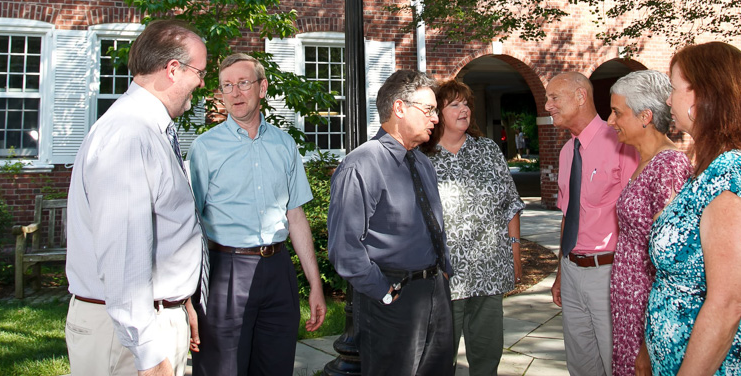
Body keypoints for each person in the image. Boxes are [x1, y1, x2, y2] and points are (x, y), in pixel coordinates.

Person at [65, 19, 209, 376]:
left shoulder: (148, 129)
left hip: (153, 318)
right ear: (173, 69)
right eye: (200, 72)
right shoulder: (129, 136)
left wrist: (179, 303)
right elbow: (123, 253)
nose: (202, 83)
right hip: (128, 335)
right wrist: (147, 351)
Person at [646, 42, 741, 376]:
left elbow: (727, 305)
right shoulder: (712, 171)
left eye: (674, 89)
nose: (668, 100)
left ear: (700, 97)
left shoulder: (734, 174)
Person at [188, 53, 327, 376]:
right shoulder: (204, 149)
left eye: (243, 84)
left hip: (278, 270)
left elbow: (296, 216)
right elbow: (188, 224)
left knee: (276, 367)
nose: (235, 93)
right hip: (226, 270)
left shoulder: (284, 145)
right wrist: (186, 299)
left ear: (262, 88)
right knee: (221, 369)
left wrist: (315, 284)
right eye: (227, 86)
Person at [327, 69, 455, 376]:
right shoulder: (361, 165)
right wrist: (383, 290)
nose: (435, 119)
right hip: (391, 298)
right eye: (428, 110)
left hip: (435, 294)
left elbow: (434, 225)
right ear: (399, 108)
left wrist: (445, 272)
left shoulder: (422, 162)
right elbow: (345, 248)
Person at [423, 79, 524, 376]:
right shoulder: (422, 157)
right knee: (439, 361)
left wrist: (515, 252)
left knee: (487, 358)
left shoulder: (488, 150)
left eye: (466, 103)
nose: (464, 108)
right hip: (444, 278)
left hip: (489, 273)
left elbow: (511, 204)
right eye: (454, 104)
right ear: (438, 113)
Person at [546, 71, 639, 376]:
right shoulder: (565, 152)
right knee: (582, 366)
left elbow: (638, 218)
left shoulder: (621, 143)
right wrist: (561, 272)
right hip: (572, 273)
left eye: (554, 98)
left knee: (618, 364)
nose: (547, 106)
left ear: (580, 96)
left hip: (609, 273)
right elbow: (568, 217)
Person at [605, 71, 692, 376]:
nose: (610, 121)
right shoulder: (645, 162)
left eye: (617, 112)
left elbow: (674, 263)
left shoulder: (669, 166)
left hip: (649, 313)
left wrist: (648, 343)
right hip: (630, 310)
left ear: (645, 116)